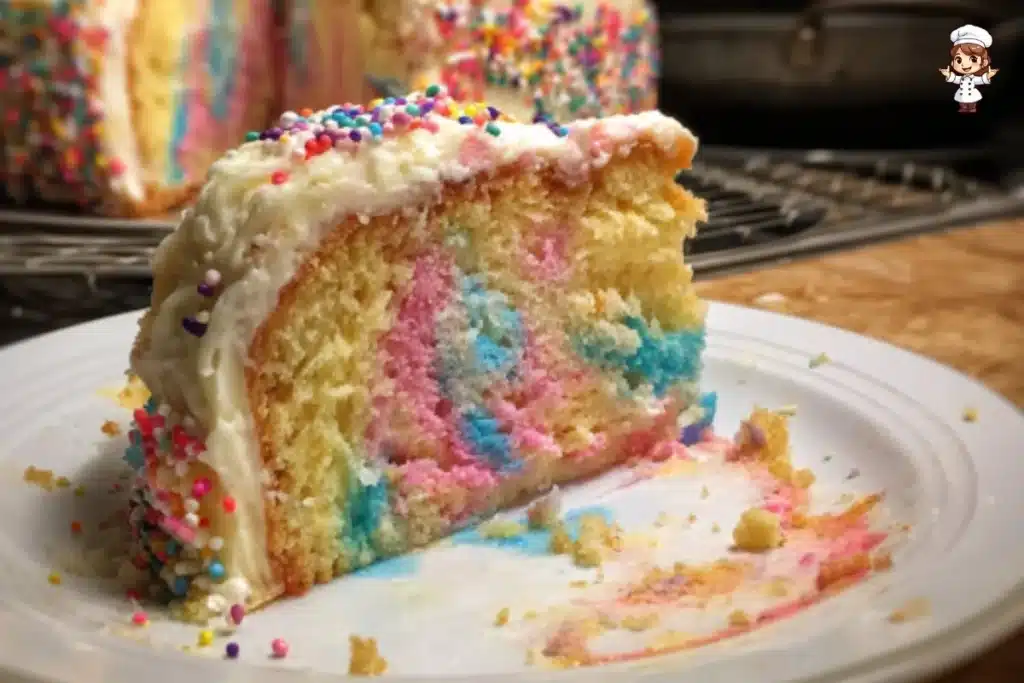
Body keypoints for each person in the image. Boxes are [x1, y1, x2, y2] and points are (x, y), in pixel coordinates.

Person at [940, 24, 999, 114]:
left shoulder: (974, 78)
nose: (965, 64)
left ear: (984, 62)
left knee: (972, 102)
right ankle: (964, 108)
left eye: (973, 59)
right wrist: (949, 75)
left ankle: (971, 108)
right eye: (959, 60)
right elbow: (956, 79)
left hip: (972, 95)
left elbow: (980, 80)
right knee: (962, 101)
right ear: (953, 62)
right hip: (962, 94)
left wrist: (987, 76)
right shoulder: (962, 77)